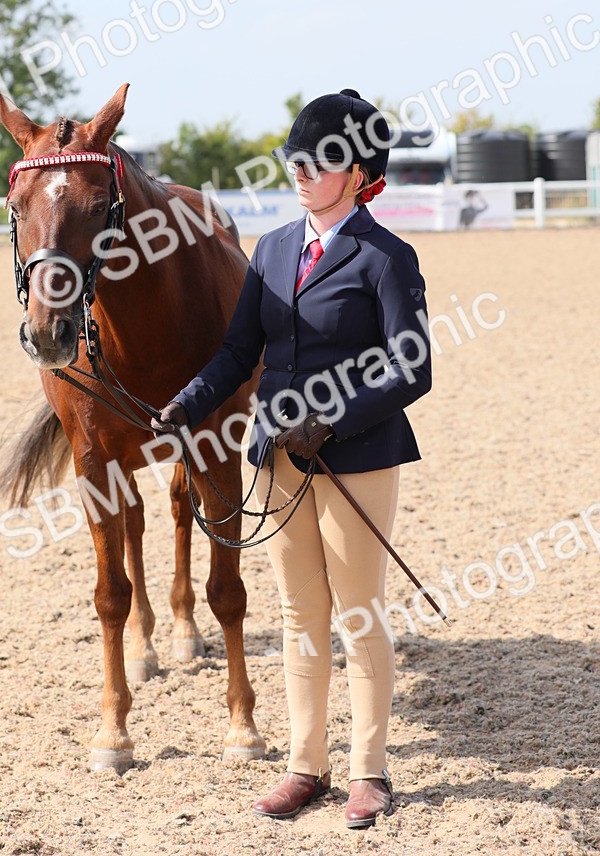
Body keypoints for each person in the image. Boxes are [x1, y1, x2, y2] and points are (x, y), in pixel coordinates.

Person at [151, 89, 432, 830]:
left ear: (359, 172)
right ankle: (306, 765)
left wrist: (332, 417)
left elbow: (413, 366)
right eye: (296, 160)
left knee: (359, 615)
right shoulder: (273, 249)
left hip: (358, 459)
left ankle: (370, 771)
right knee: (300, 613)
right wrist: (188, 400)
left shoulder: (386, 258)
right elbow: (241, 350)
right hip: (274, 456)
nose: (303, 172)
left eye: (321, 161)